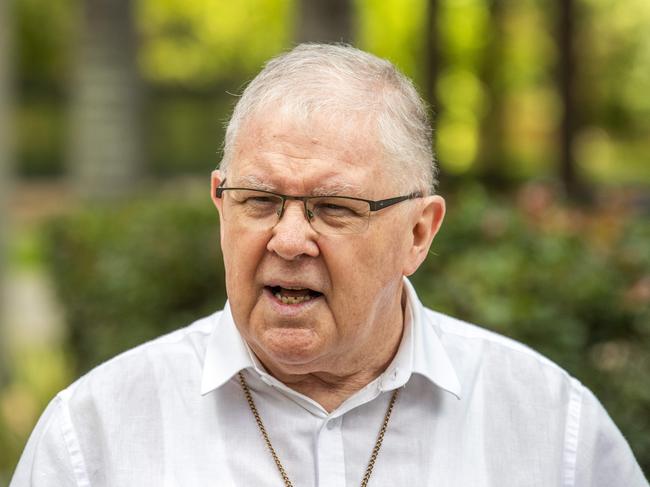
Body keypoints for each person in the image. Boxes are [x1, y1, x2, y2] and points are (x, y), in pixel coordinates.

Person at [10, 43, 648, 487]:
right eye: (259, 200)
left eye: (334, 208)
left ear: (418, 233)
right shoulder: (95, 433)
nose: (289, 239)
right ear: (219, 203)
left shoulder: (548, 426)